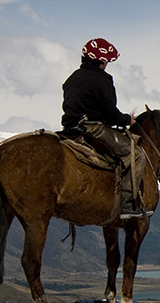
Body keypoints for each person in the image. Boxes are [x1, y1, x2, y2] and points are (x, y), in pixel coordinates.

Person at [61, 38, 149, 219]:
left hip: (69, 129)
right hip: (94, 129)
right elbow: (110, 114)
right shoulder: (102, 79)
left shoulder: (71, 79)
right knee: (136, 154)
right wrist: (128, 120)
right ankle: (127, 206)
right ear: (102, 61)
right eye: (107, 61)